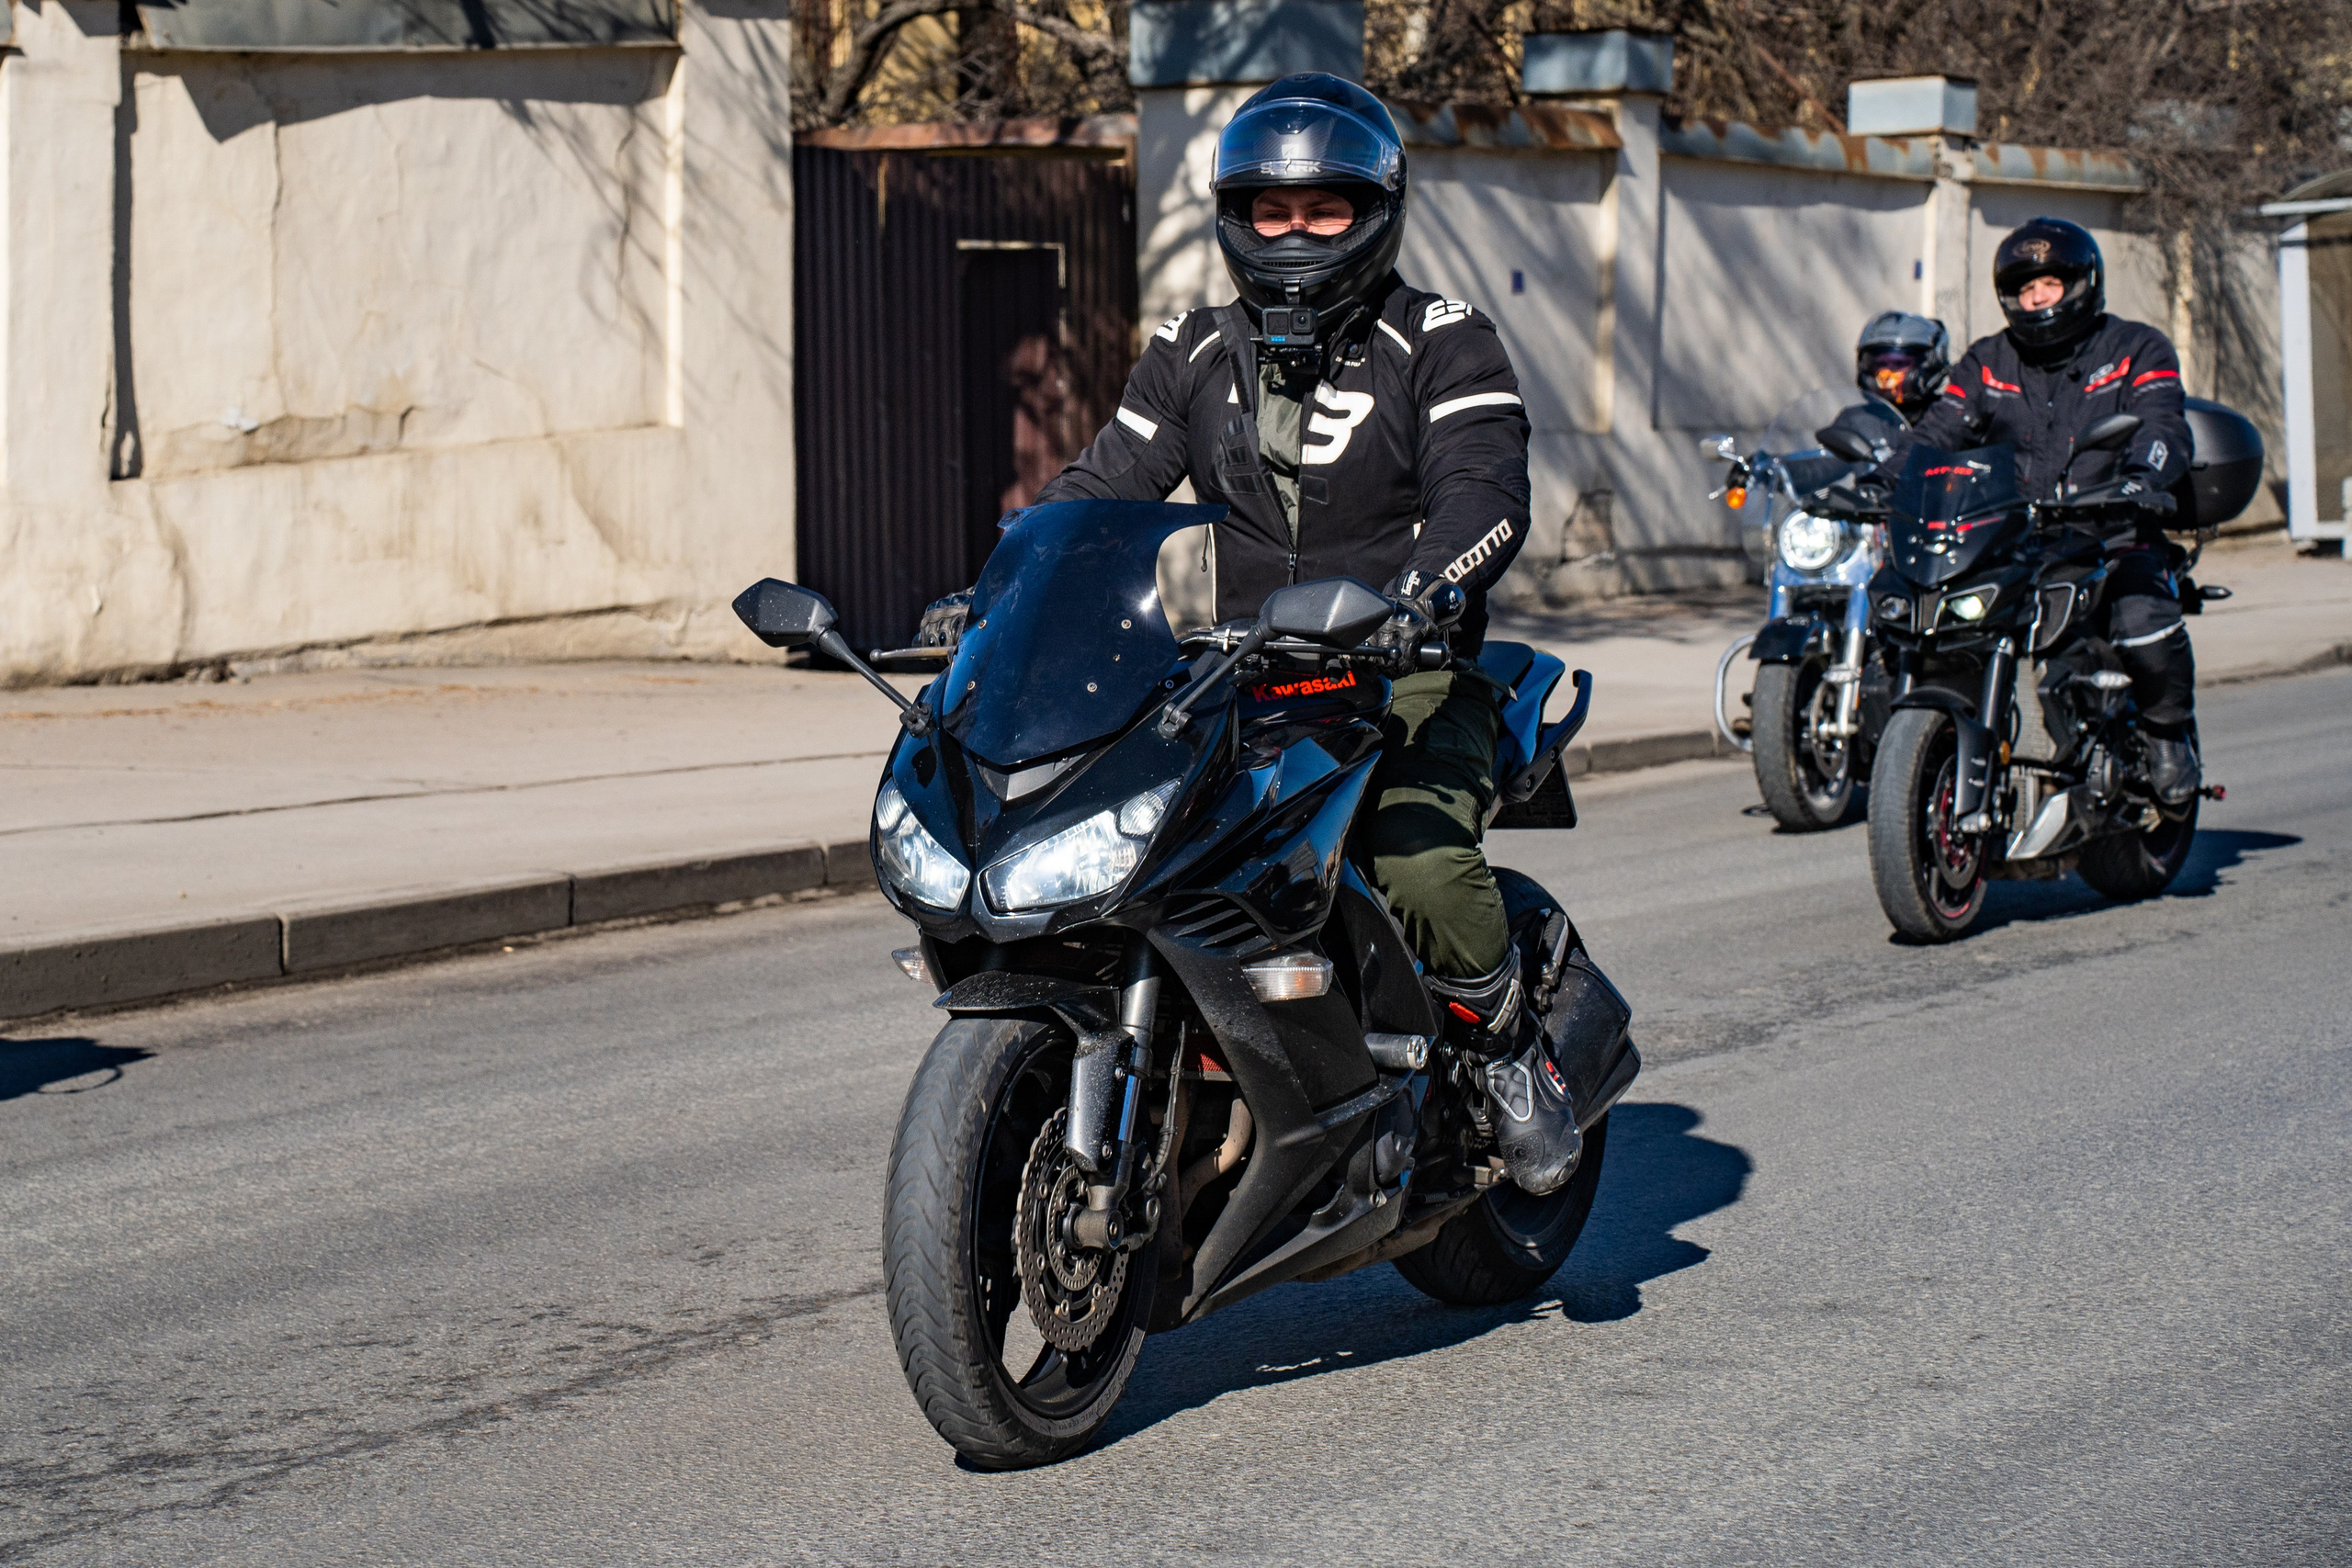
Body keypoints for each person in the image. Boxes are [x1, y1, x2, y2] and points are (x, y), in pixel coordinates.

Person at [1030, 73, 1579, 1191]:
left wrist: (1419, 596)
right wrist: (1008, 583)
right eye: (1269, 211)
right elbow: (1103, 483)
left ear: (1375, 210)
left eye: (1322, 211)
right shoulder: (1193, 348)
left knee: (1417, 862)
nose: (1292, 235)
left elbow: (1483, 492)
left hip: (1404, 672)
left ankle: (1509, 1049)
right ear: (1234, 217)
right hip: (1239, 678)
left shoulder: (1443, 340)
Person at [1878, 217, 2200, 803]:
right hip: (2011, 534)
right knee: (1911, 610)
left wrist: (2143, 477)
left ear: (2082, 283)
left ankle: (2166, 735)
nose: (2038, 298)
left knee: (2142, 620)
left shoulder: (2136, 347)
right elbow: (1938, 431)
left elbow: (2163, 424)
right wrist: (1885, 480)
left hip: (2110, 527)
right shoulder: (1988, 360)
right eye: (2025, 288)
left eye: (2050, 283)